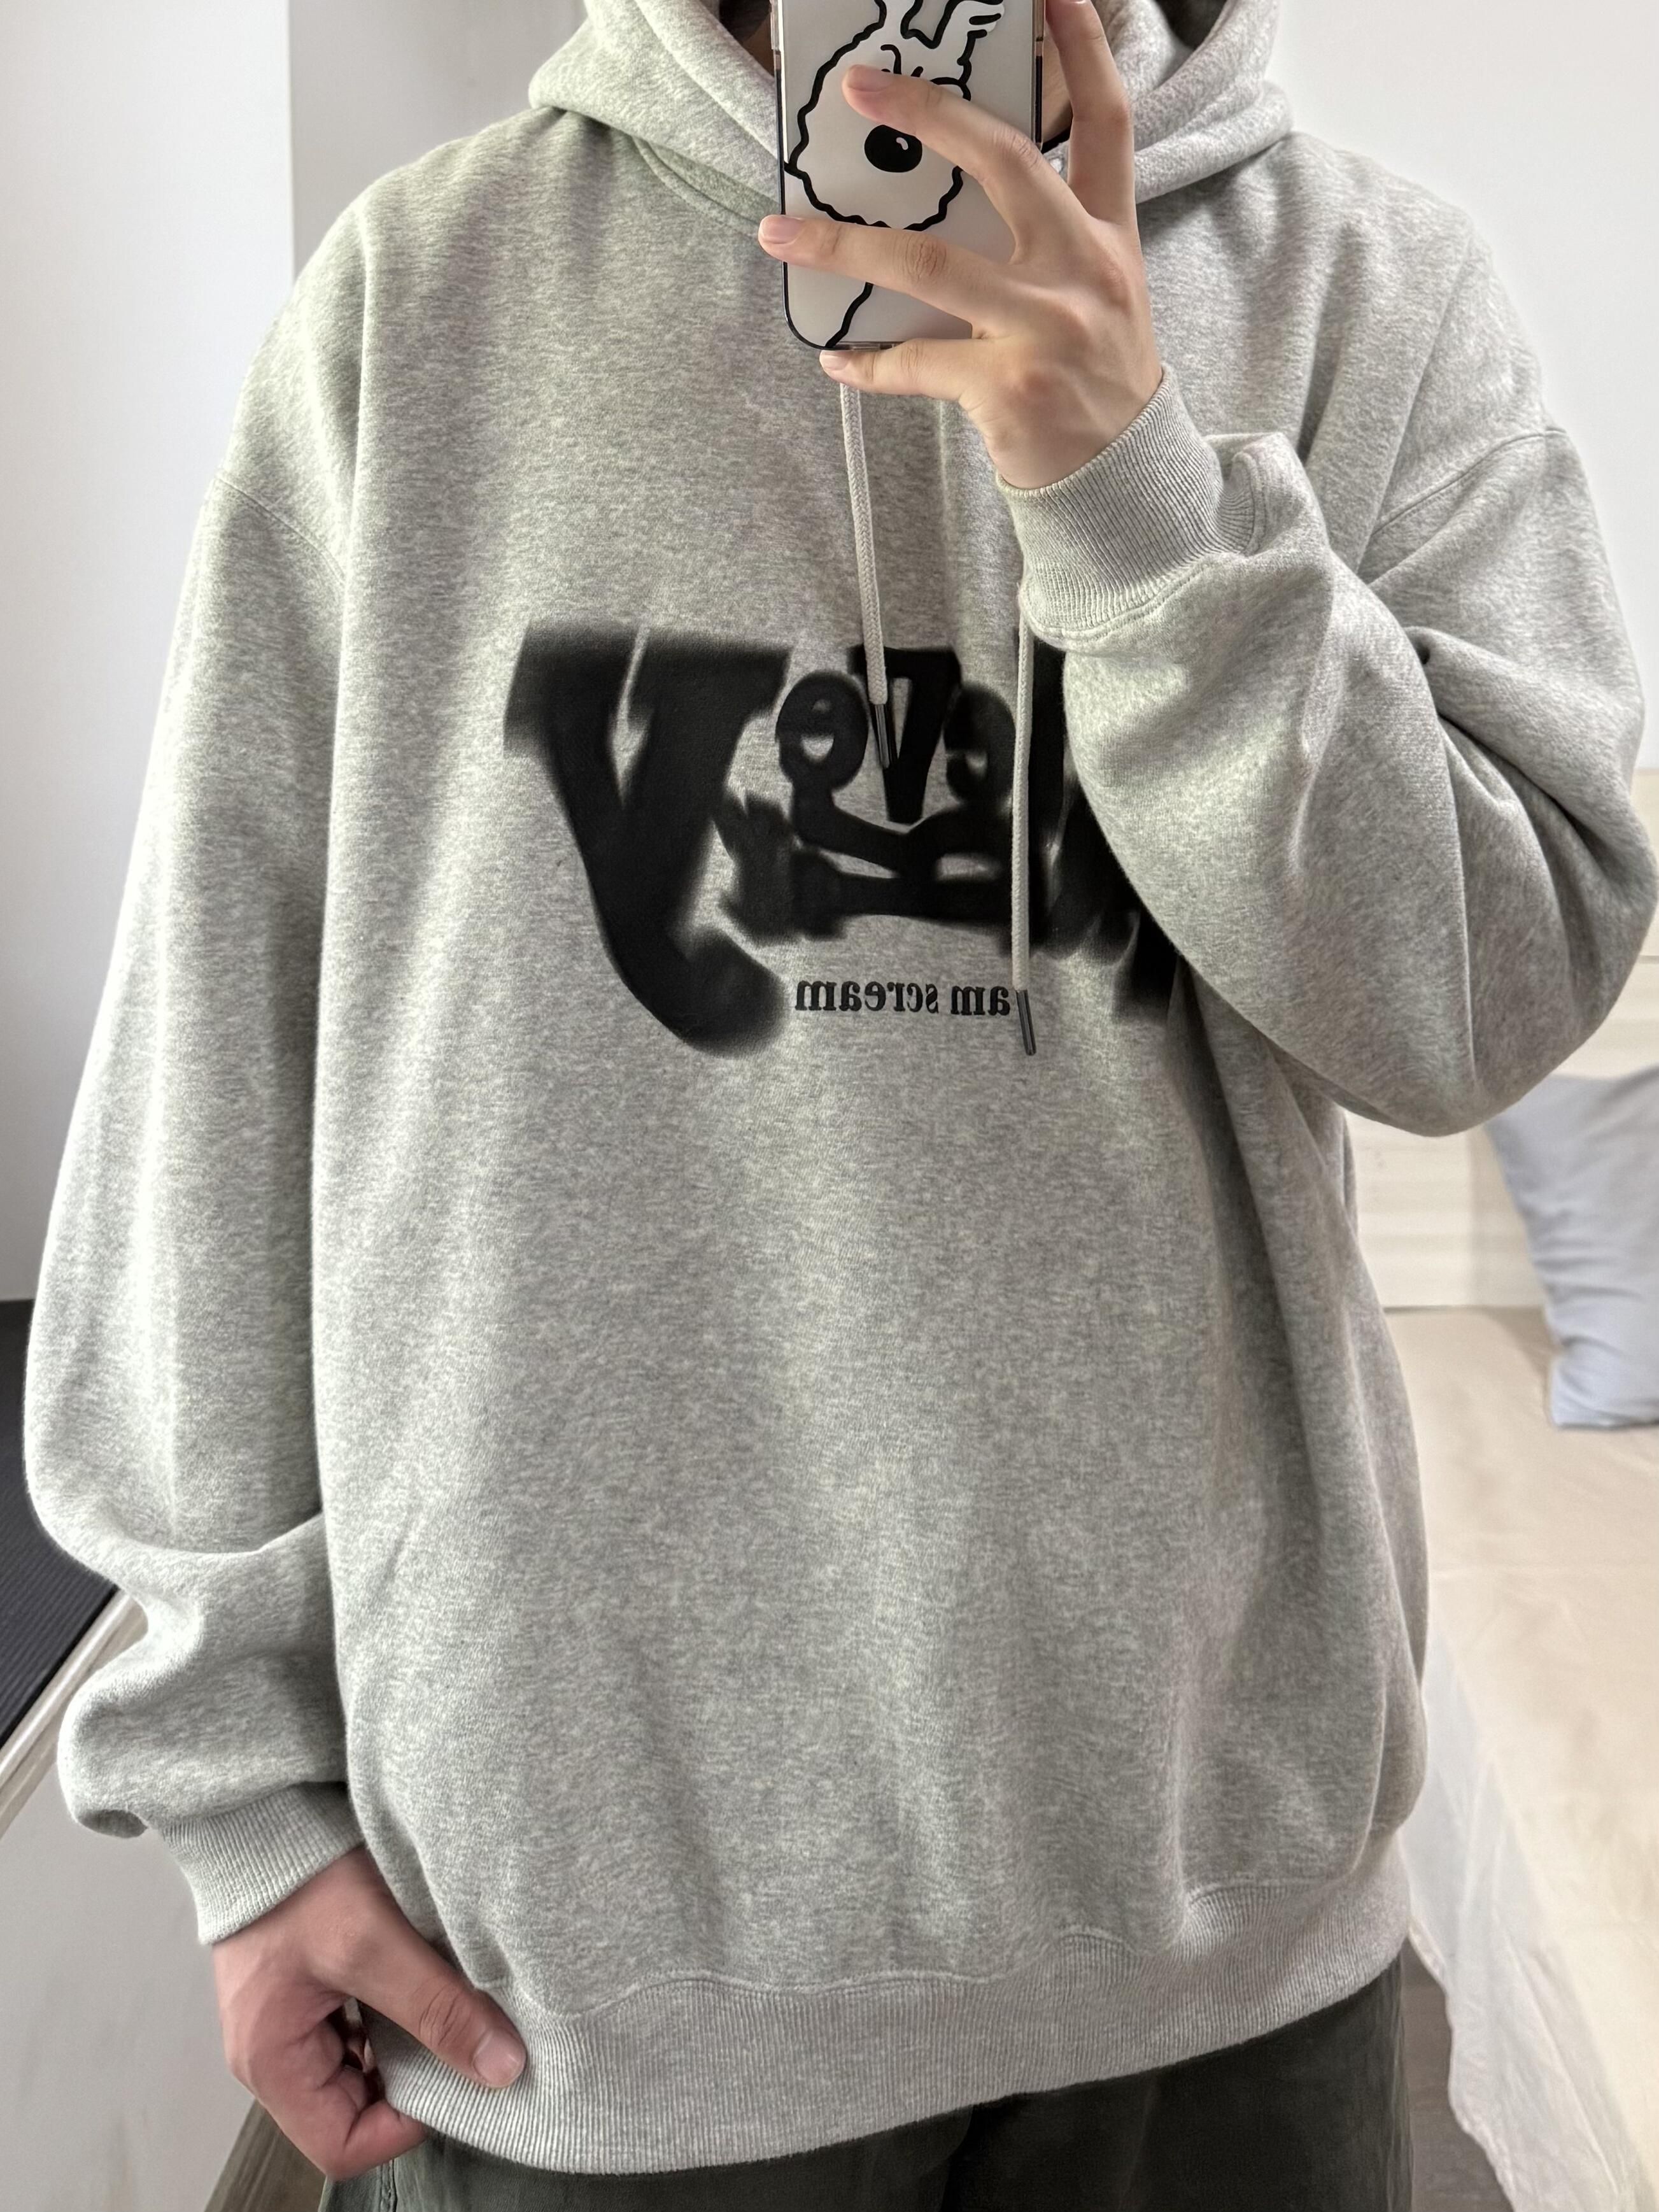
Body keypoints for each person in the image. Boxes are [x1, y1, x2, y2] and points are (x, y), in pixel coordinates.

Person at [22, 0, 1656, 2204]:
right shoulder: (416, 301)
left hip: (1215, 1953)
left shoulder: (1374, 291)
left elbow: (1494, 990)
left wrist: (1135, 491)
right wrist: (234, 1784)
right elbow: (220, 1061)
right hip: (572, 1982)